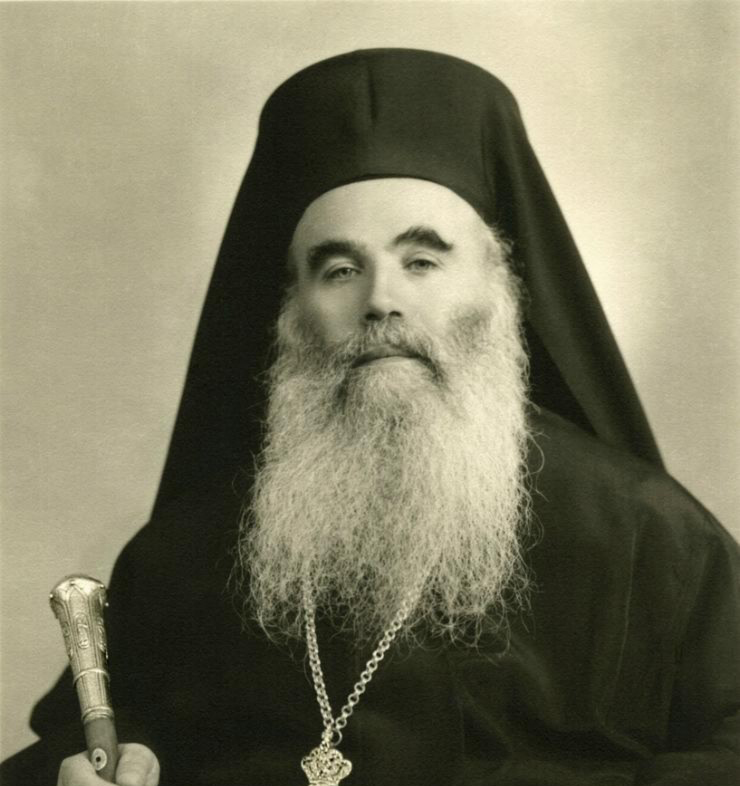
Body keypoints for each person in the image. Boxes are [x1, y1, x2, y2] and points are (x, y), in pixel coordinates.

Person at [2, 48, 738, 786]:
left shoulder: (646, 535)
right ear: (292, 311)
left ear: (497, 288)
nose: (381, 301)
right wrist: (103, 765)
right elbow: (81, 741)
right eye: (340, 270)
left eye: (422, 261)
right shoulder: (186, 551)